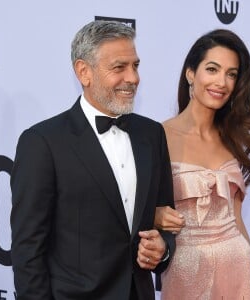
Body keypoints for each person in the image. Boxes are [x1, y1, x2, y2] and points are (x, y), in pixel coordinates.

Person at [10, 20, 175, 300]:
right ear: (84, 72)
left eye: (135, 66)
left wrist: (163, 247)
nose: (133, 78)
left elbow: (164, 218)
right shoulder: (43, 142)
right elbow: (28, 250)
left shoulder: (152, 134)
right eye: (119, 67)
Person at [154, 29, 250, 299]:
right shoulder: (158, 137)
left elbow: (237, 221)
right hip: (186, 273)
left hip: (238, 271)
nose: (222, 82)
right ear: (190, 74)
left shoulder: (232, 138)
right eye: (212, 69)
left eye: (231, 74)